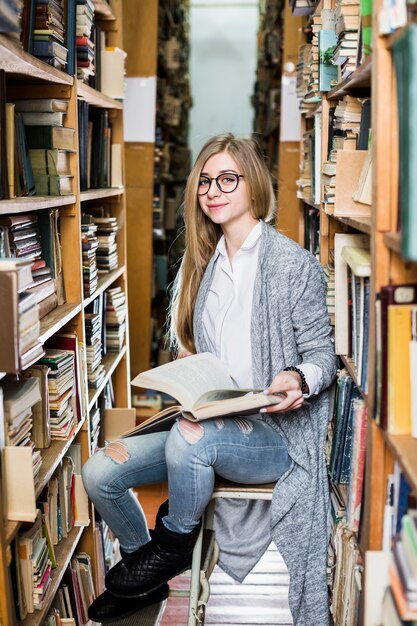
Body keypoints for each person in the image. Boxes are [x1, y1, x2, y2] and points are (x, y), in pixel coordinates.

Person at [82, 133, 337, 625]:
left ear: (253, 184)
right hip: (207, 418)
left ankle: (173, 544)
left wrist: (298, 377)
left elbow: (323, 355)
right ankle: (147, 574)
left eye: (227, 179)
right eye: (205, 182)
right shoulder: (204, 264)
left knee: (189, 440)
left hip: (273, 433)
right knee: (100, 474)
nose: (213, 191)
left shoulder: (293, 265)